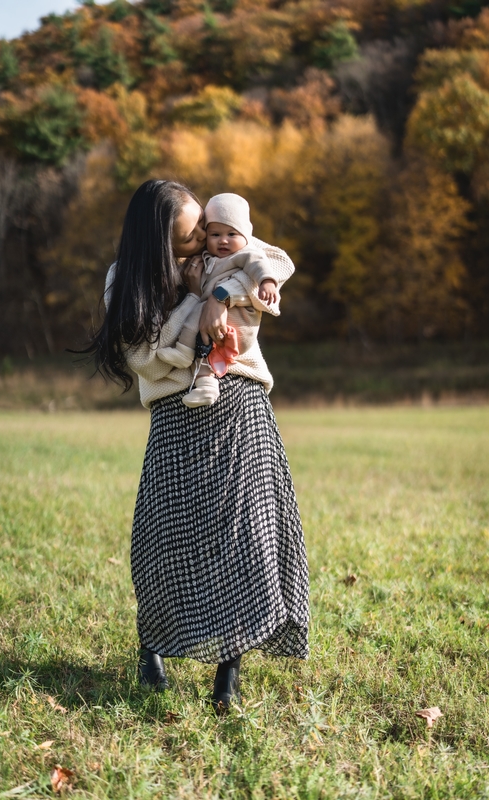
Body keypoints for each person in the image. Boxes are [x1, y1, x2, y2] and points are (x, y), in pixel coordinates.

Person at [87, 179, 309, 711]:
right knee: (163, 541)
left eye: (207, 232)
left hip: (240, 404)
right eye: (190, 238)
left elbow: (271, 259)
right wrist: (198, 311)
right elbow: (145, 359)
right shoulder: (125, 282)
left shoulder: (221, 250)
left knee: (245, 534)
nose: (205, 244)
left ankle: (228, 673)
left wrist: (220, 293)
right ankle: (153, 648)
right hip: (175, 415)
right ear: (158, 242)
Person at [156, 192, 283, 408]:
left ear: (246, 236)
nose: (223, 240)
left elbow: (261, 264)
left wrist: (267, 281)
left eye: (231, 234)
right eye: (214, 234)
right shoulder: (206, 258)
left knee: (200, 317)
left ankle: (184, 353)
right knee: (199, 320)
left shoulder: (245, 254)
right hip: (210, 321)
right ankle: (205, 386)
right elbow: (180, 275)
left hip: (239, 322)